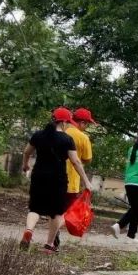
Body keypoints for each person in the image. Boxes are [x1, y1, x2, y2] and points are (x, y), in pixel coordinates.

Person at [20, 107, 92, 252]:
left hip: (39, 175)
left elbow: (27, 152)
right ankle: (49, 245)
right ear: (64, 122)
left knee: (35, 208)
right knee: (56, 212)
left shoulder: (38, 135)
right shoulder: (67, 139)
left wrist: (25, 164)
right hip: (58, 179)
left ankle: (29, 230)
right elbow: (76, 161)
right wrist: (86, 181)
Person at [55, 107, 95, 248]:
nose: (87, 127)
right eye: (87, 124)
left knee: (55, 210)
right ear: (82, 122)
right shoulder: (82, 137)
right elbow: (87, 159)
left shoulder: (60, 130)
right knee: (67, 212)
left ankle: (52, 237)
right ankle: (53, 235)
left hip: (52, 176)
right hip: (71, 180)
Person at [113, 127, 138, 242]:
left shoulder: (131, 149)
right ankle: (118, 226)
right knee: (136, 209)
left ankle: (131, 236)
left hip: (129, 182)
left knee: (135, 209)